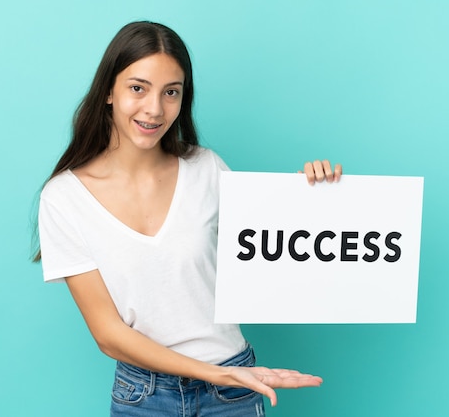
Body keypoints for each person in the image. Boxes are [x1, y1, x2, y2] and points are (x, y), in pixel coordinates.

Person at [36, 21, 342, 417]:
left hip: (233, 389)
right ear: (108, 91)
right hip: (145, 397)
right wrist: (212, 374)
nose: (154, 109)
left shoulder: (207, 168)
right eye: (137, 88)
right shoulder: (64, 198)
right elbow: (109, 335)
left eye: (171, 92)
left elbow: (280, 248)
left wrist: (318, 196)